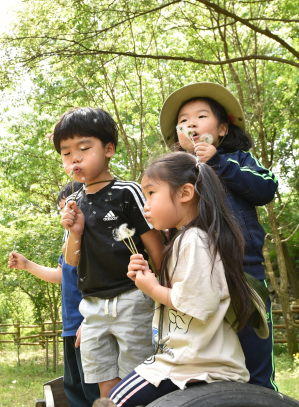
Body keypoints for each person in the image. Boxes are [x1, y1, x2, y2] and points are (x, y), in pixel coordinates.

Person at [109, 151, 257, 406]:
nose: (145, 205)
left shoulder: (195, 240)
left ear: (185, 193)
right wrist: (148, 277)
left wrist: (152, 287)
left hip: (194, 362)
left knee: (116, 400)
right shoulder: (185, 240)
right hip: (185, 358)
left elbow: (197, 301)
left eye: (151, 193)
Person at [157, 82, 279, 390]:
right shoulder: (175, 174)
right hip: (198, 279)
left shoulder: (238, 160)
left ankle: (263, 396)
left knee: (254, 354)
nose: (191, 124)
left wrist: (218, 162)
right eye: (183, 121)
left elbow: (266, 188)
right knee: (203, 359)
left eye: (200, 116)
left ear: (223, 128)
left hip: (243, 270)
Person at [55, 107, 165, 398]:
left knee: (137, 381)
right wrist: (75, 232)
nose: (75, 158)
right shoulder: (73, 203)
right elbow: (72, 262)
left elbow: (157, 248)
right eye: (66, 153)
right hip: (92, 306)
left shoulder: (127, 192)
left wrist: (166, 295)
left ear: (109, 149)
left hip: (133, 299)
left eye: (83, 148)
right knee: (106, 387)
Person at [8, 183, 101, 407]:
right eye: (61, 210)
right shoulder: (68, 243)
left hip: (89, 323)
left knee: (93, 389)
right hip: (70, 325)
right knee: (73, 387)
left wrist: (93, 319)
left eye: (68, 207)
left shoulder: (96, 241)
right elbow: (61, 275)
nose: (64, 215)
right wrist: (27, 264)